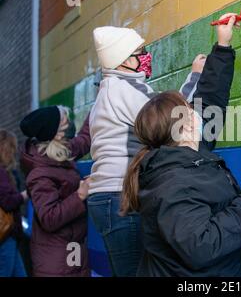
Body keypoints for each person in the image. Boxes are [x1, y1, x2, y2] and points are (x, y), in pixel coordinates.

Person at [121, 15, 241, 277]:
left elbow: (210, 101)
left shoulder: (189, 153)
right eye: (188, 109)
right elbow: (201, 245)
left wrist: (223, 46)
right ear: (184, 126)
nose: (196, 111)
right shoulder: (172, 183)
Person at [88, 26, 206, 276]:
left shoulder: (111, 89)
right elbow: (168, 119)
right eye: (140, 52)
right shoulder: (122, 89)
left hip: (109, 196)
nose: (146, 56)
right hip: (119, 195)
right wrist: (195, 76)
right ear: (122, 61)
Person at [20, 106, 91, 277]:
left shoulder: (60, 151)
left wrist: (100, 103)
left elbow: (84, 140)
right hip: (56, 261)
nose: (70, 122)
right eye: (65, 120)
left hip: (71, 251)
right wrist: (80, 195)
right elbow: (49, 217)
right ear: (57, 133)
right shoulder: (40, 173)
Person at [0, 130, 28, 277]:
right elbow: (7, 202)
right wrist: (25, 195)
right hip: (5, 234)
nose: (15, 152)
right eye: (13, 148)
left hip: (8, 234)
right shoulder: (1, 172)